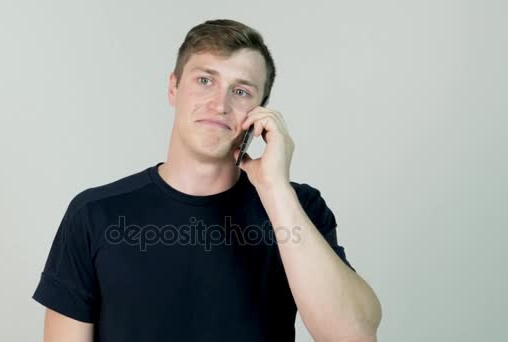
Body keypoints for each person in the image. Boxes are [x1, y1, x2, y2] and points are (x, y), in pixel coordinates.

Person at [32, 18, 382, 342]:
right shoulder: (95, 213)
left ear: (261, 111)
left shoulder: (297, 208)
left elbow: (352, 336)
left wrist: (275, 189)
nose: (220, 104)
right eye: (205, 81)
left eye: (241, 91)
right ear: (173, 87)